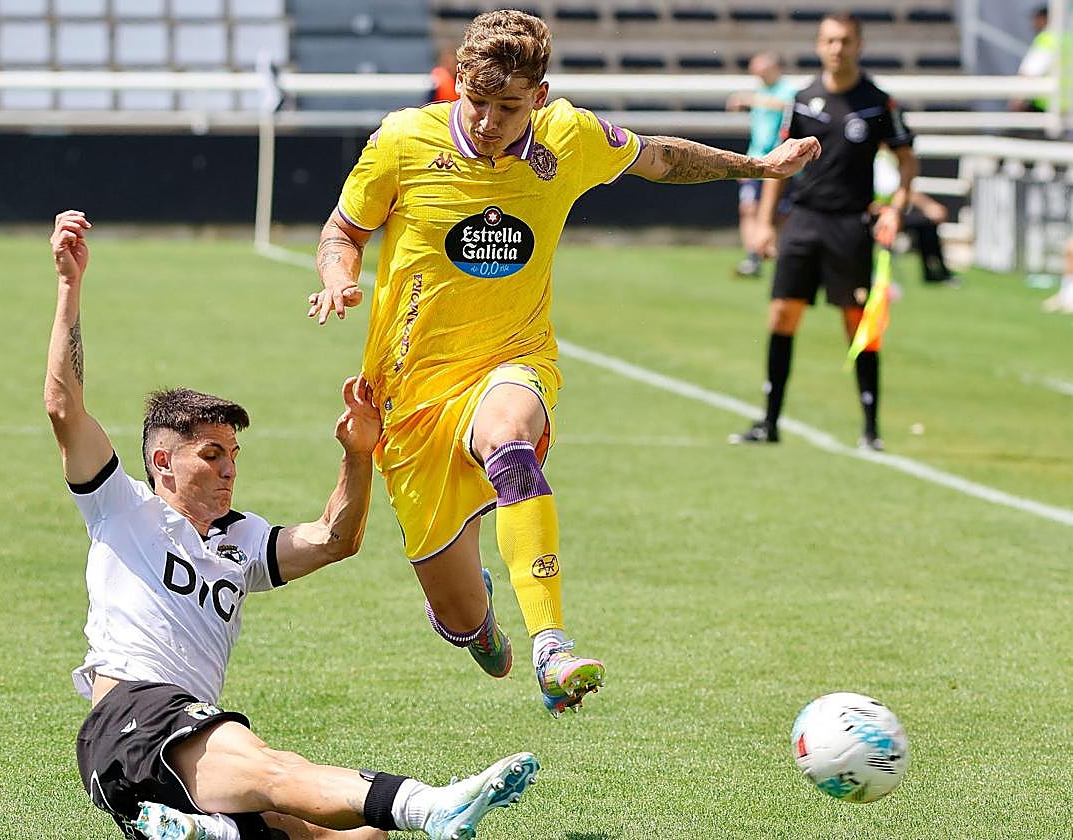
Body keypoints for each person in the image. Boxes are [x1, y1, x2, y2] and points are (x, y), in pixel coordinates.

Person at [306, 10, 819, 717]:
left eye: (508, 107)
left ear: (539, 97)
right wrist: (338, 276)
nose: (488, 121)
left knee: (508, 440)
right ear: (458, 84)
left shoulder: (567, 137)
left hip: (511, 358)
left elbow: (658, 157)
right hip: (410, 395)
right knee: (461, 618)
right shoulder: (403, 140)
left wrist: (757, 166)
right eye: (475, 101)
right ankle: (476, 618)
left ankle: (552, 648)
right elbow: (344, 230)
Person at [44, 210, 540, 840]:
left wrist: (358, 453)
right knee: (279, 771)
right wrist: (70, 286)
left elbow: (337, 538)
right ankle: (426, 804)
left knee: (341, 835)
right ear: (163, 462)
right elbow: (63, 407)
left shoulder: (242, 539)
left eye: (234, 454)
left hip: (173, 752)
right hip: (134, 717)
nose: (230, 469)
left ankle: (203, 832)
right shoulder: (122, 507)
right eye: (212, 455)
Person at [731, 11, 918, 452]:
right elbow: (780, 164)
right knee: (782, 315)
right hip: (804, 220)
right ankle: (769, 422)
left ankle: (870, 430)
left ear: (859, 45)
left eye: (846, 41)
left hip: (851, 225)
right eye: (830, 41)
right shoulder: (802, 99)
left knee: (858, 324)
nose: (838, 49)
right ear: (819, 45)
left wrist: (896, 209)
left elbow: (907, 159)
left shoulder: (877, 102)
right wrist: (765, 223)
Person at [727, 52, 800, 278]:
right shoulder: (760, 91)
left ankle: (777, 255)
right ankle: (752, 258)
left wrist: (750, 101)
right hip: (756, 158)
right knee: (748, 207)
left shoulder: (787, 89)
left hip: (779, 161)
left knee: (780, 214)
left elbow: (788, 107)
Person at [872, 148, 957, 285]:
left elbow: (902, 189)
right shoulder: (870, 156)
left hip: (892, 212)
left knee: (927, 223)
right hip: (868, 214)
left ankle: (935, 271)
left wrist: (929, 206)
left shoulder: (889, 157)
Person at [1010, 5, 1053, 113]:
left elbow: (1029, 73)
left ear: (1045, 19)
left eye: (1036, 19)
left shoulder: (1047, 39)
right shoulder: (1067, 37)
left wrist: (1017, 99)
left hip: (1045, 108)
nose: (1032, 23)